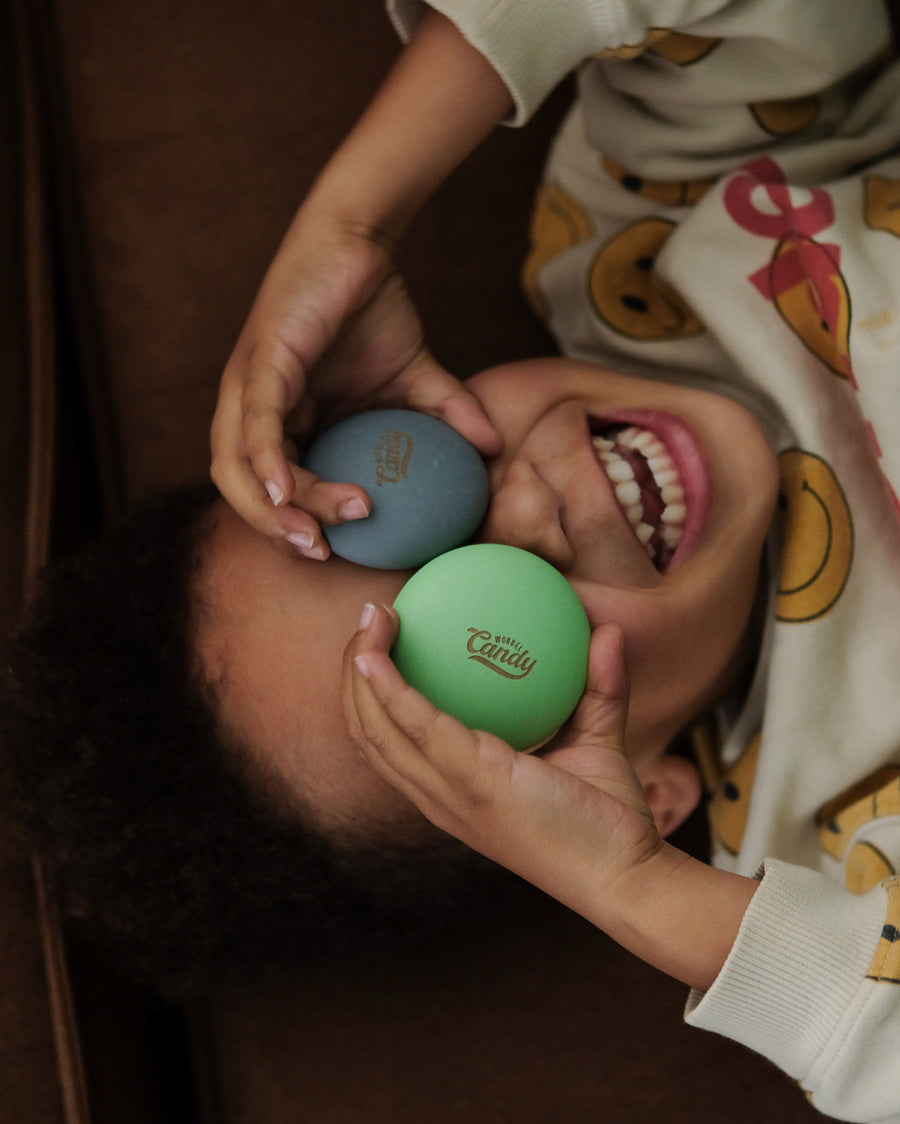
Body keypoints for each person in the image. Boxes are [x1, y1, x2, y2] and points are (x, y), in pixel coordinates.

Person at [208, 2, 900, 1119]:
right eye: (502, 640)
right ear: (642, 788)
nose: (530, 504)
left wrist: (354, 218)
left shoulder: (652, 237)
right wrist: (638, 892)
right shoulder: (836, 836)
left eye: (413, 482)